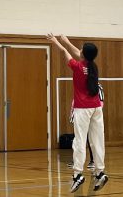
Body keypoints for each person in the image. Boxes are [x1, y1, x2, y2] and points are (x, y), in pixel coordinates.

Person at [47, 33, 108, 193]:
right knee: (97, 140)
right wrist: (67, 41)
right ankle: (100, 172)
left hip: (83, 109)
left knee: (79, 142)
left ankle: (77, 175)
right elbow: (77, 53)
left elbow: (65, 53)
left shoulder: (78, 67)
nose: (79, 50)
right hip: (96, 107)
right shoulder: (93, 66)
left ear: (83, 54)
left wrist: (56, 43)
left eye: (81, 49)